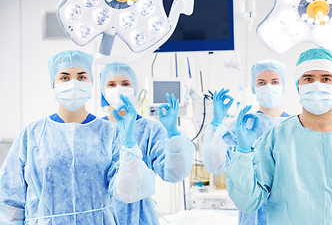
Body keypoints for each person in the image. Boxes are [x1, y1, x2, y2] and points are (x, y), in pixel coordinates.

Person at [226, 48, 332, 224]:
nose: (317, 85)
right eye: (308, 78)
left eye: (326, 78)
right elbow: (247, 202)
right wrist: (243, 152)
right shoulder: (276, 138)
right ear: (298, 86)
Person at [0, 50, 157, 224]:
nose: (73, 83)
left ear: (90, 84)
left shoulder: (110, 133)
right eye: (65, 78)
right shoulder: (32, 134)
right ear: (54, 86)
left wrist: (129, 145)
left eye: (82, 77)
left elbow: (129, 192)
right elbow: (10, 202)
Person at [100, 63, 195, 225]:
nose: (118, 89)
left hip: (141, 217)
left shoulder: (150, 130)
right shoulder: (95, 130)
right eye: (111, 84)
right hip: (101, 216)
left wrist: (173, 133)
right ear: (103, 91)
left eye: (125, 84)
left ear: (135, 89)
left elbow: (174, 174)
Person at [203, 60, 290, 225]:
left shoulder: (295, 126)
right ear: (253, 88)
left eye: (275, 82)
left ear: (283, 86)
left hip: (289, 213)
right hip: (253, 215)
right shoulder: (243, 125)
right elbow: (215, 165)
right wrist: (217, 122)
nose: (268, 87)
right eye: (261, 82)